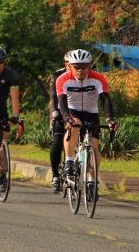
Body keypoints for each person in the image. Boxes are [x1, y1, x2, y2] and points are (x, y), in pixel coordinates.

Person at [56, 49, 118, 196]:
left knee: (94, 147)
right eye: (76, 67)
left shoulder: (98, 78)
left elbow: (105, 99)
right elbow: (61, 101)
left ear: (90, 66)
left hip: (91, 113)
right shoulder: (63, 79)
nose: (80, 70)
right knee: (74, 124)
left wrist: (109, 118)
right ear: (70, 66)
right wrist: (67, 118)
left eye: (84, 67)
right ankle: (69, 161)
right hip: (72, 111)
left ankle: (91, 180)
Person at [49, 51, 72, 193]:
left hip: (77, 112)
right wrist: (54, 114)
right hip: (60, 109)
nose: (77, 68)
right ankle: (55, 175)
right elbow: (53, 97)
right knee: (57, 141)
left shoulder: (88, 73)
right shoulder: (58, 75)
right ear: (66, 64)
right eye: (72, 65)